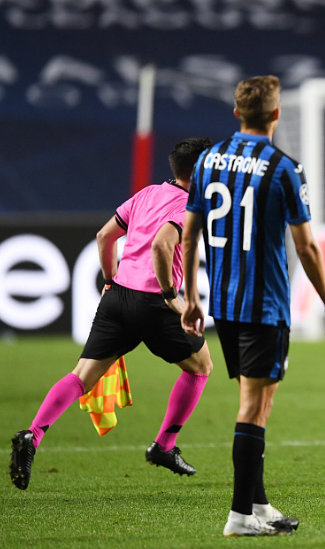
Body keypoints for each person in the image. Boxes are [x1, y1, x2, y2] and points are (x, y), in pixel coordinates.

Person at [180, 75, 325, 537]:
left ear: (237, 113)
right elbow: (306, 247)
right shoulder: (283, 167)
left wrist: (191, 298)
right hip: (264, 305)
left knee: (256, 403)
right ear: (276, 114)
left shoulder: (208, 159)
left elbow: (189, 235)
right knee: (254, 407)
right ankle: (239, 516)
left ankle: (258, 503)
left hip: (224, 303)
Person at [9, 138, 215, 491]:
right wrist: (171, 295)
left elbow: (105, 236)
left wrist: (109, 280)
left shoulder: (147, 194)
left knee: (81, 376)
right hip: (154, 302)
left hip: (117, 297)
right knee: (201, 367)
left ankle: (33, 435)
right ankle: (164, 445)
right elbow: (162, 245)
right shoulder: (188, 205)